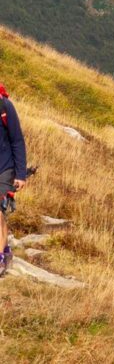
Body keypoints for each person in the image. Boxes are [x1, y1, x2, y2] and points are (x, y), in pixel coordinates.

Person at [0, 84, 27, 275]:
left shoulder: (5, 106)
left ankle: (0, 256)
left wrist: (20, 174)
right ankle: (6, 249)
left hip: (4, 167)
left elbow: (17, 140)